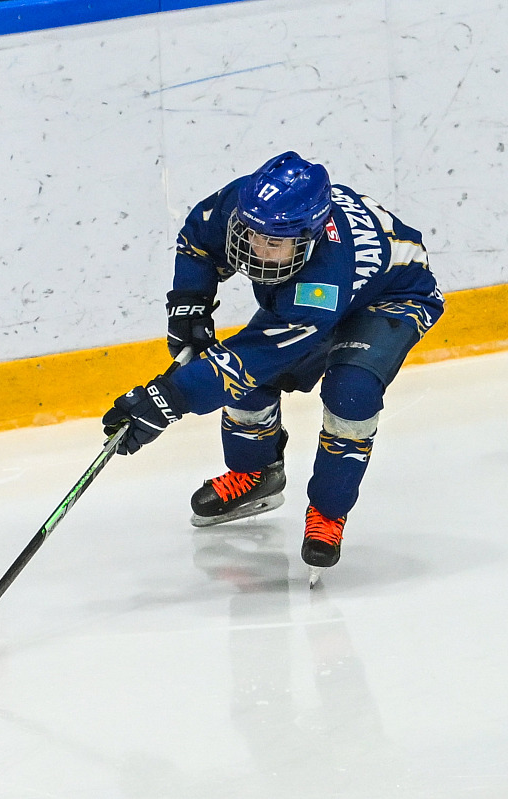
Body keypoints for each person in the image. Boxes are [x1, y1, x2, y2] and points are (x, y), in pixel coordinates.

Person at [102, 151, 444, 577]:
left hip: (391, 298)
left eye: (274, 243)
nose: (257, 249)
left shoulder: (322, 280)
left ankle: (329, 511)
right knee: (252, 376)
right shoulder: (248, 205)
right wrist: (190, 303)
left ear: (309, 238)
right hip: (324, 292)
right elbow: (198, 240)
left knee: (351, 392)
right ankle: (255, 474)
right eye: (251, 234)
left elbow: (245, 363)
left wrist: (168, 399)